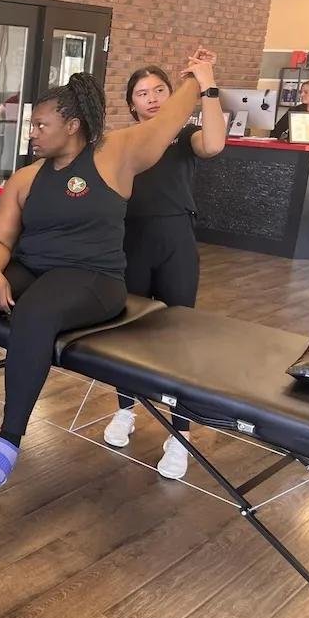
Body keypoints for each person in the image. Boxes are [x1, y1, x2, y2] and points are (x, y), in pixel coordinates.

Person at [0, 55, 214, 490]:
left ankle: (9, 439)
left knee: (34, 315)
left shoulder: (114, 155)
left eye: (41, 126)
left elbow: (167, 121)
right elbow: (0, 241)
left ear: (73, 124)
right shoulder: (25, 177)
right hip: (33, 268)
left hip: (94, 278)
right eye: (32, 126)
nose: (32, 134)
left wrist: (197, 79)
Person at [102, 53, 224, 479]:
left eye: (159, 91)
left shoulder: (187, 136)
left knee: (178, 338)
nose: (152, 99)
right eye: (142, 93)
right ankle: (125, 411)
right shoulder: (125, 140)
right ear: (132, 104)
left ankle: (180, 436)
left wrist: (206, 85)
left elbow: (215, 144)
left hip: (175, 240)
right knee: (127, 335)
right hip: (130, 241)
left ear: (172, 98)